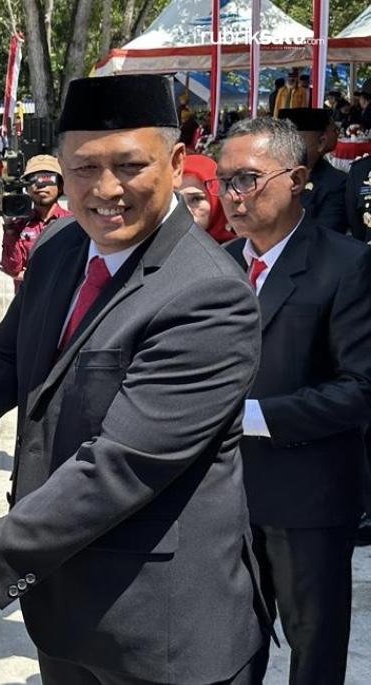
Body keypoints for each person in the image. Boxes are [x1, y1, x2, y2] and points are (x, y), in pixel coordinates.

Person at [0, 74, 270, 684]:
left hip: (162, 629)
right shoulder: (62, 244)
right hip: (62, 609)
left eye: (130, 166)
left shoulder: (208, 295)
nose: (106, 190)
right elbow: (6, 358)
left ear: (174, 163)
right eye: (85, 168)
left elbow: (119, 467)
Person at [218, 116, 371, 685]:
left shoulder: (345, 264)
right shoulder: (217, 264)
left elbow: (360, 389)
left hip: (308, 499)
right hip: (224, 497)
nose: (232, 195)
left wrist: (250, 417)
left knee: (314, 649)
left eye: (247, 179)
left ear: (297, 178)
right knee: (228, 645)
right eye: (224, 181)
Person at [0, 155, 72, 291]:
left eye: (47, 179)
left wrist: (29, 275)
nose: (41, 185)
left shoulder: (73, 224)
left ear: (60, 186)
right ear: (26, 188)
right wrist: (9, 227)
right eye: (34, 180)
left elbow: (76, 270)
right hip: (26, 301)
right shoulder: (19, 225)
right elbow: (12, 269)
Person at [278, 108, 347, 233]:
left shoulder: (335, 184)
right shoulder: (266, 175)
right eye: (279, 141)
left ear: (321, 143)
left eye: (292, 141)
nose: (283, 147)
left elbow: (326, 236)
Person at [179, 153, 234, 243]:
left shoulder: (243, 249)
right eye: (177, 200)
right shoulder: (159, 247)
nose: (186, 210)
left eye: (196, 199)